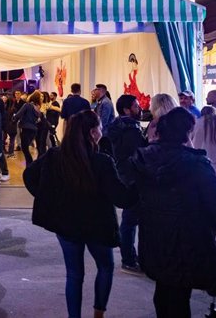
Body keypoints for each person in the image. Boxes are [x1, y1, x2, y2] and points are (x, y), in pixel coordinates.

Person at [23, 110, 137, 318]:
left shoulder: (55, 156)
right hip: (97, 225)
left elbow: (29, 176)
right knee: (106, 267)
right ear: (93, 132)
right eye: (100, 128)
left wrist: (47, 197)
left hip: (66, 224)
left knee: (74, 274)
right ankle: (98, 314)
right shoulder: (101, 161)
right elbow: (121, 197)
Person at [126, 107, 216, 317]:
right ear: (187, 132)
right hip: (186, 242)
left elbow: (132, 198)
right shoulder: (196, 164)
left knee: (165, 292)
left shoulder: (144, 159)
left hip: (154, 238)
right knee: (177, 299)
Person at [106, 94, 148, 275]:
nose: (139, 109)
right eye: (136, 106)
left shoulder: (118, 126)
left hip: (125, 175)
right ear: (126, 110)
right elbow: (139, 154)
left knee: (129, 219)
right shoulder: (131, 130)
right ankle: (129, 260)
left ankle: (129, 257)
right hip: (133, 177)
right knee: (131, 220)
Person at [12, 90, 42, 166]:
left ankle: (30, 165)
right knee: (25, 148)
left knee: (25, 149)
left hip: (26, 129)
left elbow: (18, 114)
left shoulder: (27, 105)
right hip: (34, 130)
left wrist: (13, 119)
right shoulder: (37, 108)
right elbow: (38, 120)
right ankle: (30, 165)